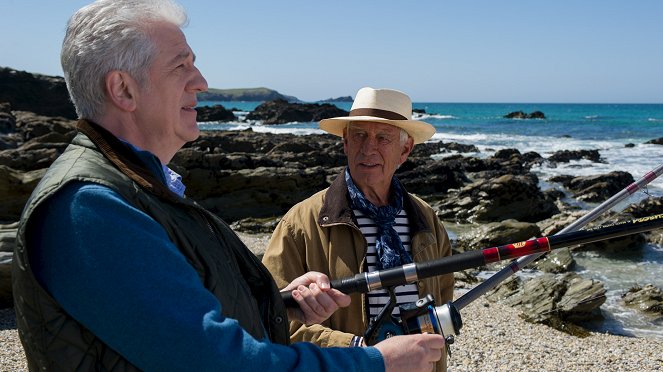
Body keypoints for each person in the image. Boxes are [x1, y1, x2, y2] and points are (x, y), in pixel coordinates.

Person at [11, 1, 445, 371]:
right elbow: (217, 360)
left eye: (383, 137)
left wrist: (280, 303)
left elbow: (186, 318)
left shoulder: (142, 190)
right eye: (181, 65)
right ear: (123, 89)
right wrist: (375, 361)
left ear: (405, 150)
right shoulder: (92, 208)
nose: (201, 82)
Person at [262, 87, 455, 371]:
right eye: (359, 135)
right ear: (345, 143)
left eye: (382, 138)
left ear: (405, 149)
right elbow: (269, 317)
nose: (368, 148)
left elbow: (443, 299)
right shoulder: (300, 223)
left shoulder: (426, 219)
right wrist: (360, 352)